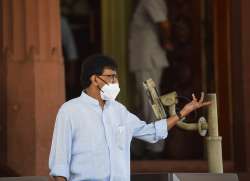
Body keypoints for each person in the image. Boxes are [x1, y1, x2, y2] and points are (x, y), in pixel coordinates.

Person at [49, 54, 211, 181]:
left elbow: (151, 133)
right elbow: (59, 162)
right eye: (111, 77)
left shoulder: (119, 111)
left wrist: (183, 112)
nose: (116, 82)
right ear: (95, 79)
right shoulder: (70, 111)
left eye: (116, 77)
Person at [129, 0, 173, 155]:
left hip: (148, 59)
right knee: (146, 102)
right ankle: (144, 146)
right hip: (145, 59)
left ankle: (156, 148)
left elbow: (164, 24)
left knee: (152, 101)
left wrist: (167, 41)